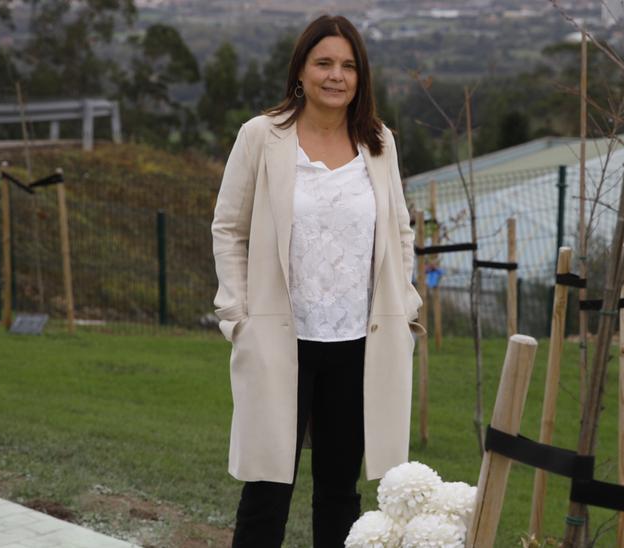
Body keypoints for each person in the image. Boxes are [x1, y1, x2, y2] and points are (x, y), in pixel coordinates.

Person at [210, 14, 423, 548]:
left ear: (361, 77)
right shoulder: (262, 137)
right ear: (300, 72)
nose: (337, 76)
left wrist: (408, 306)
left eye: (348, 66)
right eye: (324, 62)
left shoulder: (379, 143)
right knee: (266, 490)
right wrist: (237, 316)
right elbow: (229, 228)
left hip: (357, 343)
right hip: (280, 341)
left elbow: (399, 231)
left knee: (339, 492)